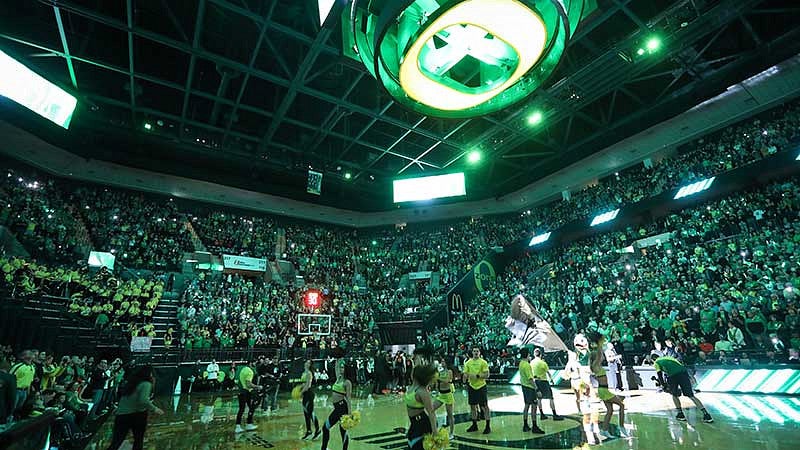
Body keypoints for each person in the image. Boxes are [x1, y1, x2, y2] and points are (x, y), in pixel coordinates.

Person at [105, 365, 164, 450]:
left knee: (116, 442)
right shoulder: (146, 384)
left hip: (122, 415)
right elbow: (143, 400)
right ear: (150, 374)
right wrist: (155, 409)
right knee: (138, 441)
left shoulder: (132, 382)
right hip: (137, 415)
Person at [653, 355, 713, 423]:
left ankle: (680, 414)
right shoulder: (669, 357)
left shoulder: (656, 362)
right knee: (691, 395)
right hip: (683, 373)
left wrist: (663, 385)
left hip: (672, 376)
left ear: (653, 359)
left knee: (674, 395)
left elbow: (659, 374)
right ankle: (706, 415)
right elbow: (681, 366)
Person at [587, 333, 626, 437]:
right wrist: (600, 342)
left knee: (610, 410)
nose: (602, 357)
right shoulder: (596, 365)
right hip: (604, 390)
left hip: (603, 390)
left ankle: (604, 430)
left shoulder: (595, 366)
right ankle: (622, 427)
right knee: (621, 406)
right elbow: (599, 352)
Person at [405, 363, 438, 450]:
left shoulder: (422, 391)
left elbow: (431, 412)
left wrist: (435, 431)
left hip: (422, 423)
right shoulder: (412, 387)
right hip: (414, 423)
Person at [321, 359, 351, 450]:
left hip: (342, 408)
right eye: (340, 368)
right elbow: (336, 368)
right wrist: (338, 359)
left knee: (343, 432)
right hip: (337, 408)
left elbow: (348, 398)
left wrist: (349, 413)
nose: (341, 369)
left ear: (346, 370)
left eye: (343, 368)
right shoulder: (338, 378)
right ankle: (324, 448)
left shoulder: (347, 382)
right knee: (325, 428)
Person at [462, 346, 491, 434]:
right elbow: (465, 373)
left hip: (481, 386)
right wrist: (464, 380)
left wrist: (478, 376)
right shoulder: (468, 363)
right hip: (472, 387)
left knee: (484, 406)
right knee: (472, 406)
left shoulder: (483, 362)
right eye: (474, 351)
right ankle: (474, 425)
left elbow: (487, 375)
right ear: (472, 352)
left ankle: (487, 426)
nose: (475, 352)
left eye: (477, 351)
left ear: (480, 352)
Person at [518, 348, 545, 434]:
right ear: (527, 355)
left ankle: (525, 424)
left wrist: (534, 377)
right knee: (534, 406)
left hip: (524, 386)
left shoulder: (521, 364)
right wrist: (537, 389)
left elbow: (527, 376)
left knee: (526, 405)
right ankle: (534, 426)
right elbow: (530, 379)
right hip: (530, 387)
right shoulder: (526, 365)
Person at [531, 348, 562, 421]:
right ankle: (554, 414)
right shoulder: (543, 363)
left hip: (536, 382)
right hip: (544, 382)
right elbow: (548, 372)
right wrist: (551, 380)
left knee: (539, 399)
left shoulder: (531, 363)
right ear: (541, 355)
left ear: (534, 354)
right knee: (550, 398)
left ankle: (542, 414)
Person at [235, 358, 262, 433]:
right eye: (254, 363)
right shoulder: (250, 371)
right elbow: (248, 384)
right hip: (246, 392)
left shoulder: (243, 369)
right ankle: (248, 424)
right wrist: (257, 387)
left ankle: (240, 425)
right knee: (251, 407)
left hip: (241, 391)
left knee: (242, 409)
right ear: (251, 363)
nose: (255, 365)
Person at [434, 357, 456, 439]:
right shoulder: (440, 371)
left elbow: (447, 381)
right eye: (441, 361)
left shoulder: (449, 371)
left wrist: (438, 378)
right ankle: (434, 428)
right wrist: (436, 388)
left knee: (450, 414)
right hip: (441, 395)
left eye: (443, 361)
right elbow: (437, 383)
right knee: (431, 409)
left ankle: (451, 433)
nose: (442, 363)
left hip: (448, 395)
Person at [9, 350, 35, 417]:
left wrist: (28, 392)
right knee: (11, 408)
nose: (29, 358)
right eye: (28, 356)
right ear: (23, 357)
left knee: (18, 408)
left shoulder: (32, 367)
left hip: (25, 391)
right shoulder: (18, 366)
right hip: (16, 390)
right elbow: (9, 378)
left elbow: (30, 381)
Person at [300, 360, 321, 440]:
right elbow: (303, 384)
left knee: (311, 413)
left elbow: (308, 385)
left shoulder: (309, 373)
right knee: (306, 413)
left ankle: (318, 430)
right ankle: (309, 431)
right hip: (305, 394)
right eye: (306, 362)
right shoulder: (304, 372)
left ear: (310, 365)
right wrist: (300, 388)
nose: (306, 363)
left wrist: (301, 392)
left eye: (308, 363)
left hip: (309, 394)